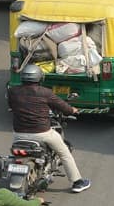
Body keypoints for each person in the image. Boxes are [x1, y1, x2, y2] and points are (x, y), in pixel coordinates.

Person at [7, 63, 89, 193]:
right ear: (40, 78)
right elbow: (63, 107)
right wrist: (72, 110)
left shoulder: (12, 91)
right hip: (42, 133)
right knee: (64, 152)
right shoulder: (45, 93)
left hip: (19, 134)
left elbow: (12, 106)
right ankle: (77, 182)